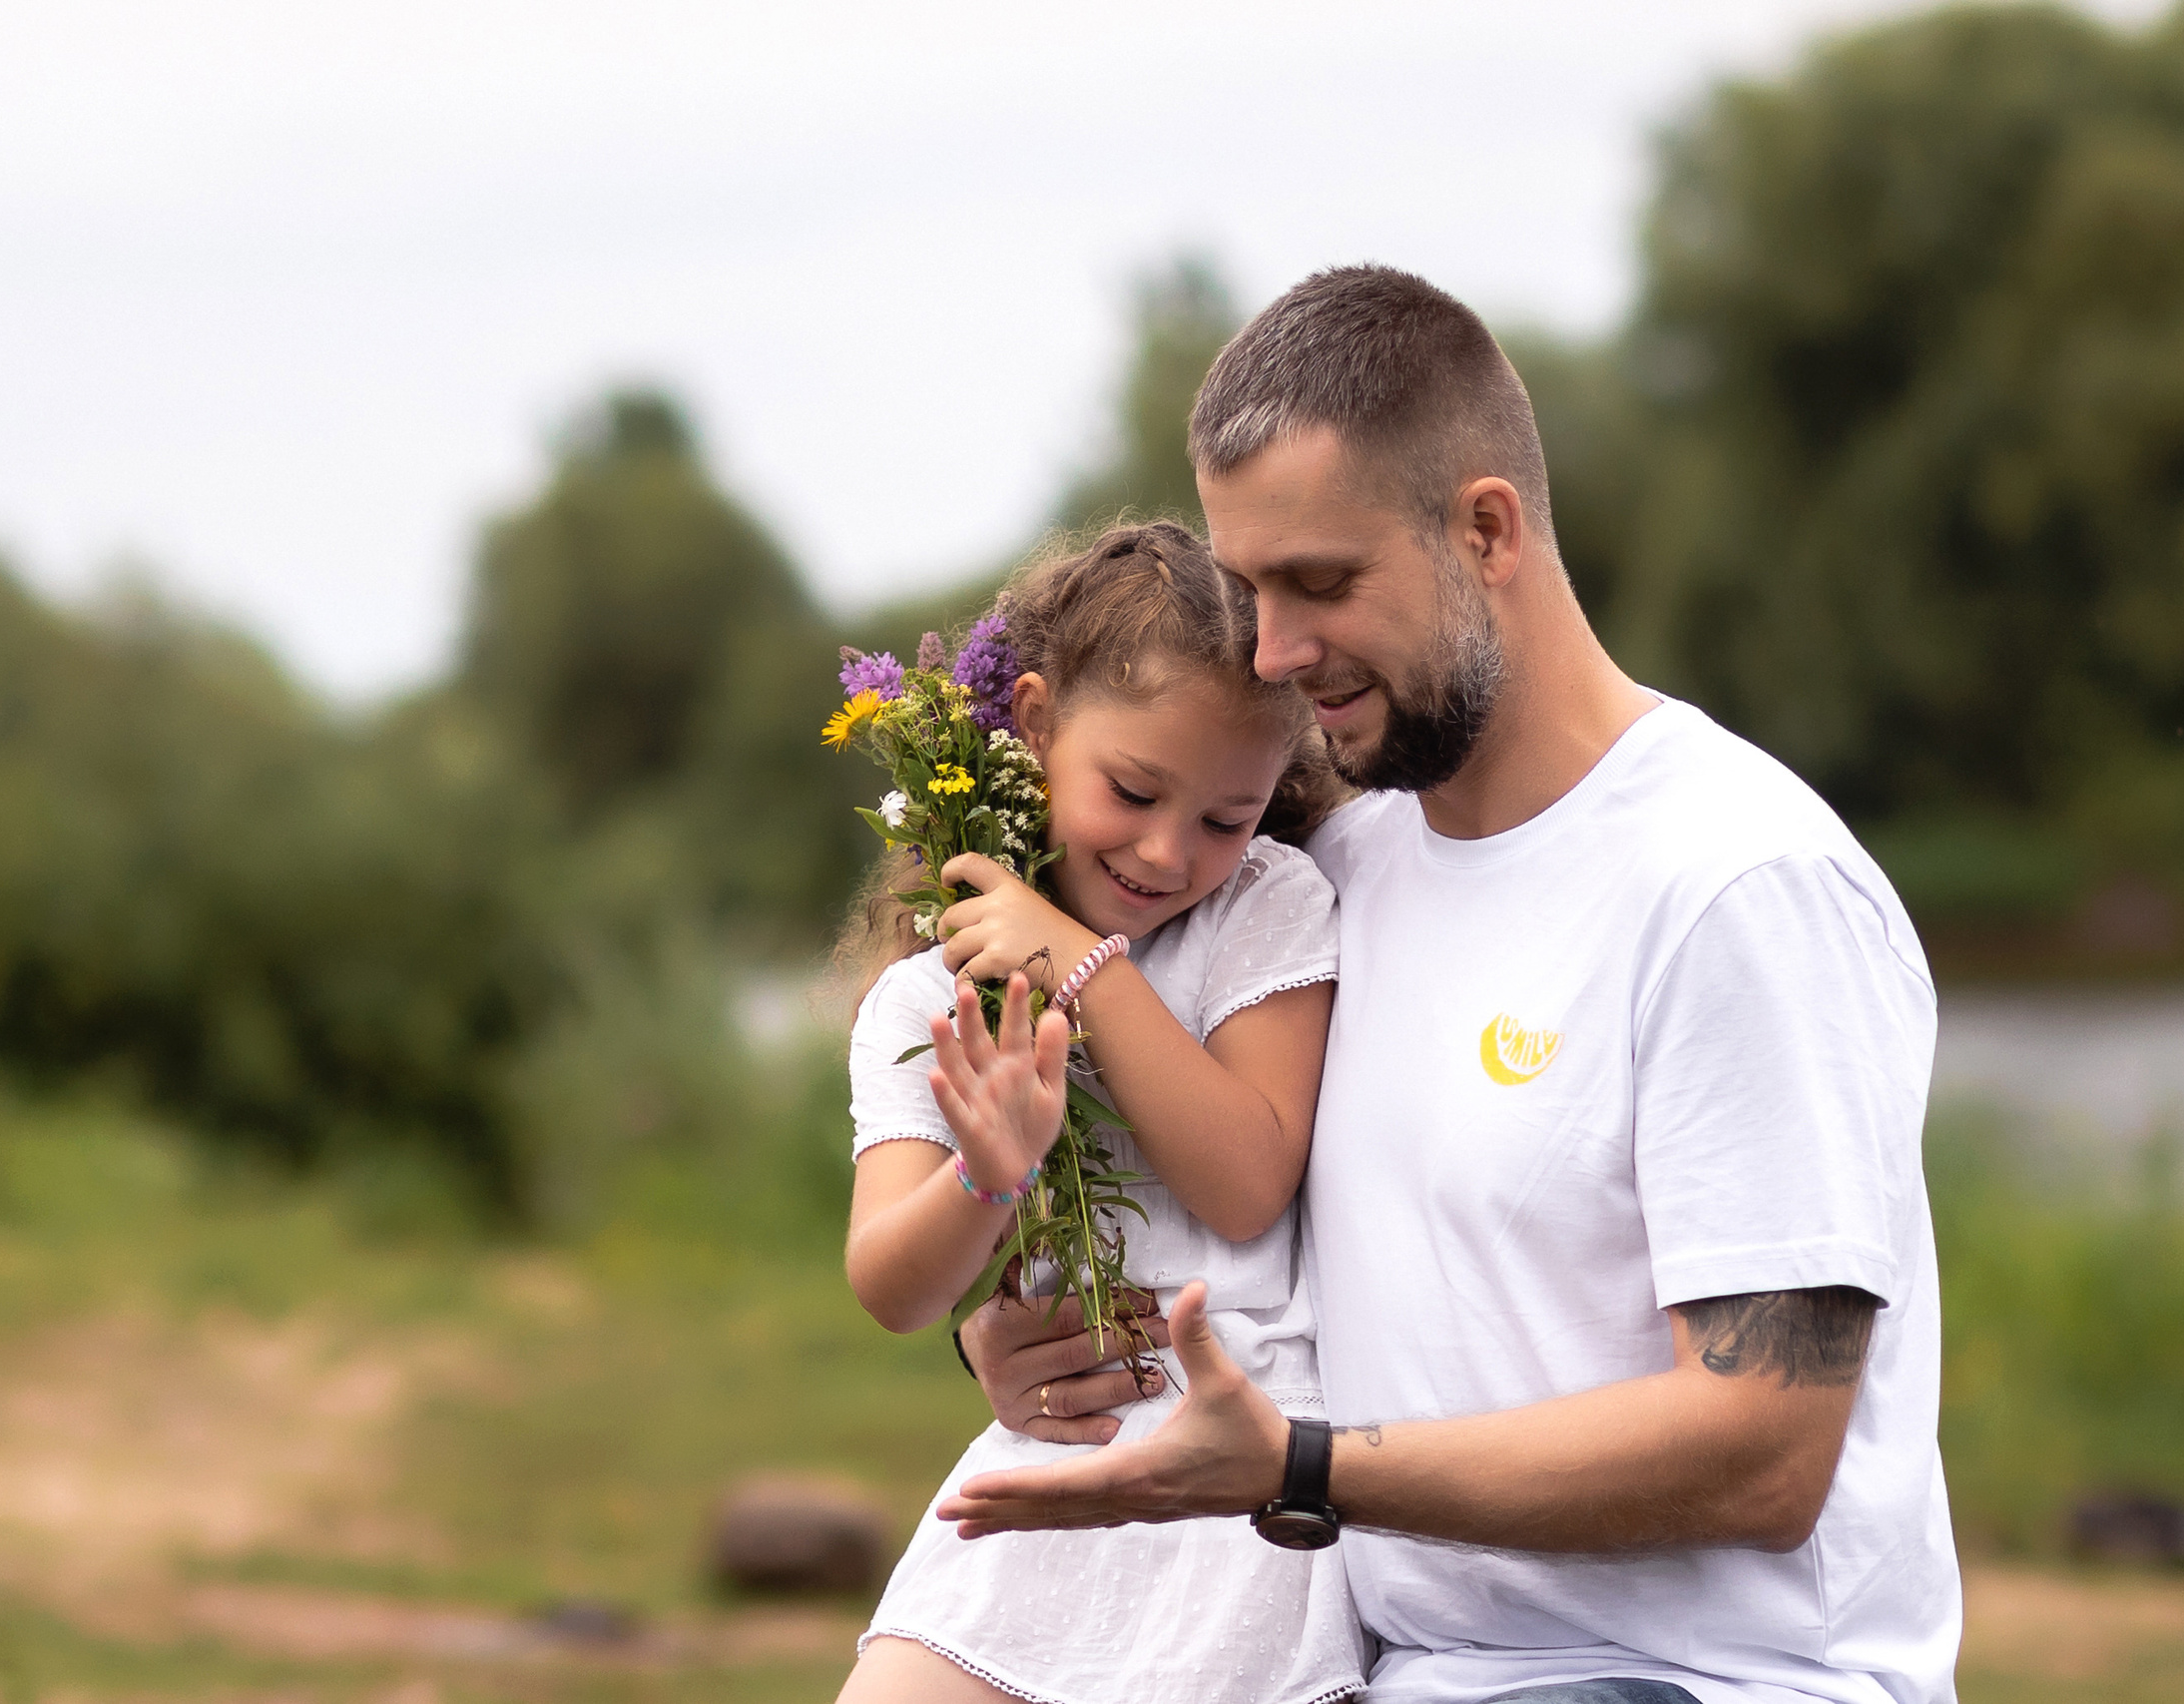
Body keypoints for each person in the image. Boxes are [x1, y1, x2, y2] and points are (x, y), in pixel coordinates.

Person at [942, 268, 1961, 1704]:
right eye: (1250, 591)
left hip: (1692, 1678)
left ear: (1486, 528)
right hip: (1395, 1666)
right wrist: (1027, 1341)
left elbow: (1765, 1447)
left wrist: (1302, 1467)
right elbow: (1209, 1200)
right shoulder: (1321, 878)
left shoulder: (1737, 882)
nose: (1273, 653)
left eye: (1322, 583)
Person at [833, 521, 1367, 1704]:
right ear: (1031, 723)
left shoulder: (1264, 913)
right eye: (1131, 790)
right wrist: (988, 1176)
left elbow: (1244, 1183)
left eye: (1228, 817)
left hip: (1245, 1475)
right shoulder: (927, 996)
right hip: (1056, 1456)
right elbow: (891, 1286)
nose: (1171, 852)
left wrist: (1086, 967)